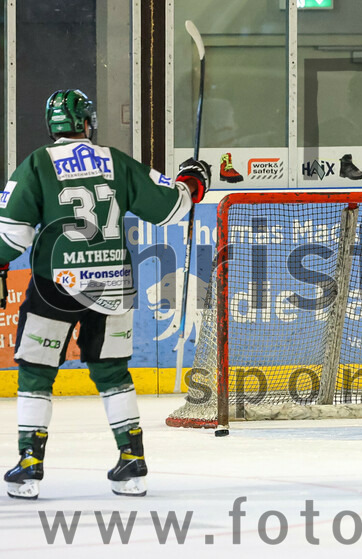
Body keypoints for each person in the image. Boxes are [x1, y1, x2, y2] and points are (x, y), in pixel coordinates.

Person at [0, 89, 211, 498]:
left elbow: (12, 236)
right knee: (112, 372)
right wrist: (192, 180)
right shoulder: (114, 160)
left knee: (37, 370)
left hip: (56, 284)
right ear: (85, 123)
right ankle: (132, 462)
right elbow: (171, 206)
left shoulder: (37, 164)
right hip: (113, 283)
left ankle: (30, 462)